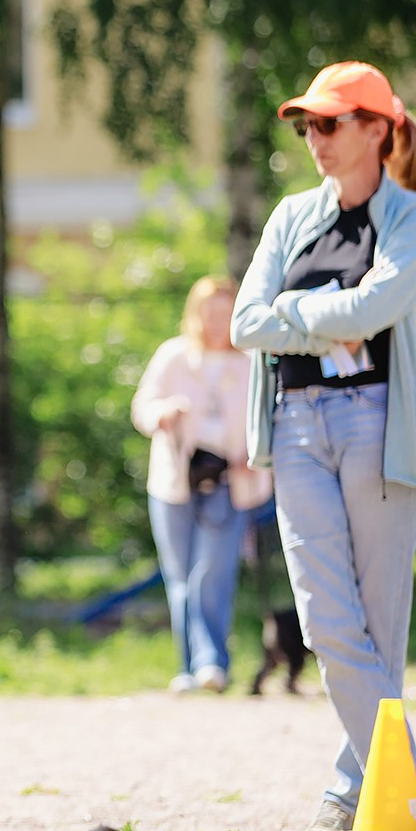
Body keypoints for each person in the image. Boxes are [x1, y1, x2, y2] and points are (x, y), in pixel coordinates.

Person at [230, 61, 416, 831]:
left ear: (377, 130)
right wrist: (327, 317)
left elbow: (382, 307)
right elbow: (245, 323)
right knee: (329, 624)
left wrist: (296, 310)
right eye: (307, 126)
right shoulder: (292, 215)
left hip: (377, 421)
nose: (314, 138)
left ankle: (346, 792)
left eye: (329, 123)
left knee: (376, 631)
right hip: (294, 425)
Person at [132, 276, 271, 694]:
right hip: (175, 479)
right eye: (210, 313)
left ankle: (213, 662)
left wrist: (256, 454)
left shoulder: (250, 361)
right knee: (179, 575)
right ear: (195, 315)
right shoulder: (174, 356)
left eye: (225, 313)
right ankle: (188, 667)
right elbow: (142, 407)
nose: (217, 322)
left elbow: (268, 417)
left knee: (213, 570)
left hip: (230, 479)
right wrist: (164, 413)